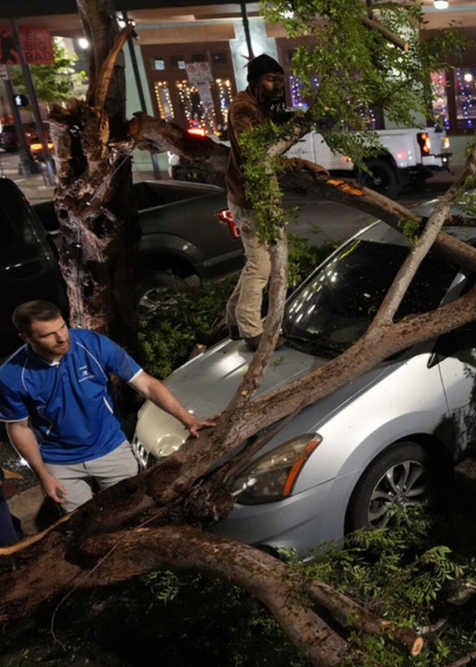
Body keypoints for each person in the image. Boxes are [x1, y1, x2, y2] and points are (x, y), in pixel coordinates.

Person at [0, 301, 215, 514]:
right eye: (48, 335)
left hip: (110, 447)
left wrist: (188, 419)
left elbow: (147, 384)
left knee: (132, 511)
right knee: (83, 525)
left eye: (62, 327)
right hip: (59, 461)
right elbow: (19, 428)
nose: (62, 338)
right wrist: (43, 474)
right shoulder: (12, 375)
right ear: (26, 338)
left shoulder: (93, 344)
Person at [225, 54, 329, 351]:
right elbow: (259, 156)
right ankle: (250, 331)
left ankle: (233, 319)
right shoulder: (243, 110)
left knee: (255, 262)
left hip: (254, 194)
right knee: (260, 265)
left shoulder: (259, 107)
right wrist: (302, 164)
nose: (277, 87)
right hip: (251, 197)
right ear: (256, 80)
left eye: (280, 81)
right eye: (271, 80)